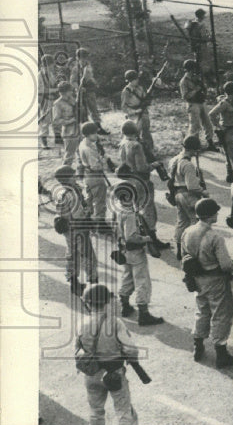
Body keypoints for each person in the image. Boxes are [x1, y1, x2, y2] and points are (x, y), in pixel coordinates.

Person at [76, 284, 158, 425]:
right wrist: (130, 359)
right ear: (106, 302)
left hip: (91, 374)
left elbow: (79, 348)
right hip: (114, 373)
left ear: (87, 303)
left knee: (96, 408)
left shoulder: (81, 323)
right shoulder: (115, 322)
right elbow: (130, 348)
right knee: (123, 409)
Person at [179, 197, 233, 367]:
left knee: (202, 311)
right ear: (210, 215)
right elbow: (226, 265)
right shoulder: (215, 237)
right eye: (215, 212)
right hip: (215, 279)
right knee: (221, 314)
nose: (217, 214)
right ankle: (221, 353)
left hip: (197, 279)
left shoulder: (187, 231)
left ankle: (197, 346)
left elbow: (183, 256)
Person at [110, 178, 163, 326]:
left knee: (127, 277)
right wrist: (146, 238)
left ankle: (125, 306)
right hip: (135, 251)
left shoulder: (117, 210)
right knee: (142, 281)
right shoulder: (130, 214)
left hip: (123, 250)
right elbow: (131, 236)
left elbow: (115, 231)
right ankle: (143, 314)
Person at [118, 121, 169, 250]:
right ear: (136, 132)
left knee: (136, 209)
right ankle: (152, 238)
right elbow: (142, 167)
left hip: (129, 180)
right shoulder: (136, 146)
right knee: (148, 210)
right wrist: (155, 165)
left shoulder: (122, 144)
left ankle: (139, 236)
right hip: (141, 181)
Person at [53, 165, 98, 296]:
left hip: (69, 229)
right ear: (67, 178)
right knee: (89, 256)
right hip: (78, 229)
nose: (75, 177)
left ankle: (74, 283)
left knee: (72, 255)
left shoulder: (62, 192)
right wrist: (89, 208)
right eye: (72, 175)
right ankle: (93, 286)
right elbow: (80, 214)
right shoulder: (72, 193)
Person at [168, 135, 208, 258]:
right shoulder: (188, 165)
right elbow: (192, 187)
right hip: (188, 195)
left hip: (177, 194)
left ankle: (179, 250)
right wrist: (203, 192)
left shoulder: (174, 159)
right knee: (196, 223)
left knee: (181, 222)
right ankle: (192, 251)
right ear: (193, 150)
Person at [179, 59, 220, 151]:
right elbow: (185, 96)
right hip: (192, 104)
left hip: (201, 102)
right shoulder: (184, 81)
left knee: (208, 124)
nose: (194, 71)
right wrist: (195, 90)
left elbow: (204, 88)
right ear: (189, 69)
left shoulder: (197, 78)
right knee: (195, 126)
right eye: (192, 69)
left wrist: (203, 87)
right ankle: (194, 145)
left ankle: (210, 143)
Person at [209, 82, 233, 183]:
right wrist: (218, 126)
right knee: (230, 153)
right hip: (227, 130)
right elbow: (211, 114)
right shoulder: (224, 103)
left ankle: (232, 172)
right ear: (232, 92)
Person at [75, 122, 110, 221]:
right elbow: (96, 166)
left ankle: (87, 218)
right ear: (87, 134)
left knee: (90, 198)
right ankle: (100, 223)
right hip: (95, 176)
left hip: (88, 175)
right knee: (99, 201)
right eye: (94, 133)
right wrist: (104, 160)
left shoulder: (83, 143)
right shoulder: (89, 149)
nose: (96, 135)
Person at [120, 69, 155, 157]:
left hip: (143, 112)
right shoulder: (126, 91)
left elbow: (145, 98)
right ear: (130, 80)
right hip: (134, 115)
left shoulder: (140, 88)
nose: (137, 81)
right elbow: (124, 107)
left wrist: (148, 98)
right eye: (135, 79)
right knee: (134, 134)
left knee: (146, 131)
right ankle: (132, 152)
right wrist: (135, 112)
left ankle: (149, 151)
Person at [69, 48, 106, 133]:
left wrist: (94, 82)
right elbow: (72, 81)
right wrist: (79, 88)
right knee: (83, 111)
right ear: (78, 58)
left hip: (89, 91)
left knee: (94, 109)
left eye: (85, 57)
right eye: (82, 58)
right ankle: (86, 129)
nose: (84, 59)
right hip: (80, 93)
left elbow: (90, 76)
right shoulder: (75, 69)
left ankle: (98, 127)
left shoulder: (88, 67)